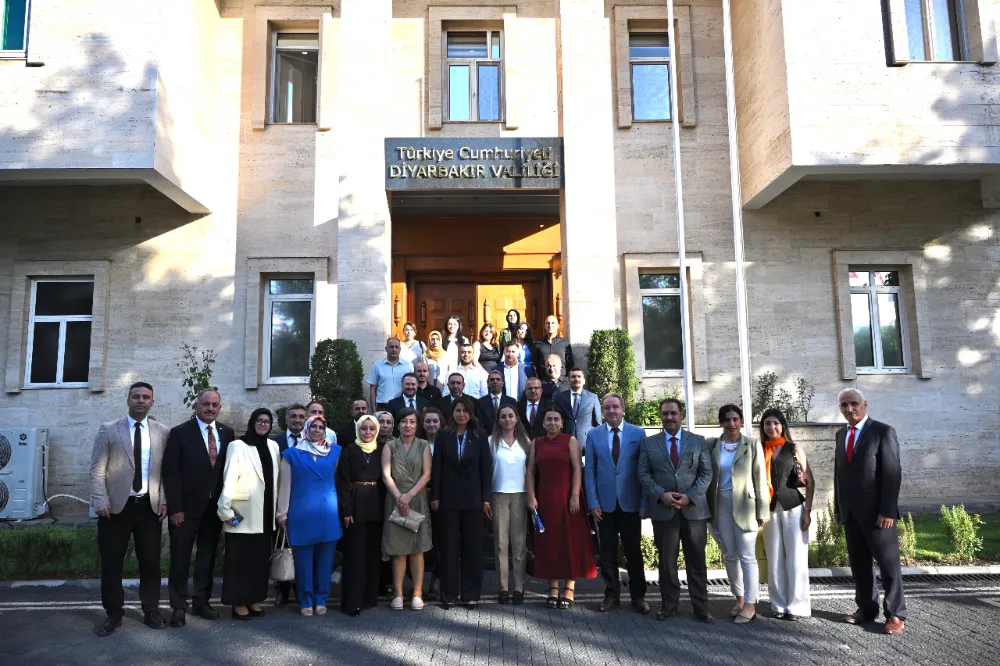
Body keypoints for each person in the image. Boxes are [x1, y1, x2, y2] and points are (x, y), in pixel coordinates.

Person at [90, 382, 170, 636]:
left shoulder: (162, 432)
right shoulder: (109, 429)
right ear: (128, 400)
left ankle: (151, 610)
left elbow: (165, 472)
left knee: (151, 563)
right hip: (115, 509)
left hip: (149, 507)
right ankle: (114, 614)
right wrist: (100, 499)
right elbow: (97, 468)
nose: (140, 400)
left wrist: (165, 499)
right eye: (135, 396)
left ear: (152, 402)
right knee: (112, 564)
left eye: (146, 397)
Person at [834, 388, 907, 635]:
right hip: (851, 513)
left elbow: (892, 474)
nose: (849, 409)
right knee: (860, 565)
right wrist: (839, 508)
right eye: (844, 405)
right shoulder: (840, 434)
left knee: (888, 566)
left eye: (853, 403)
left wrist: (887, 510)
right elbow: (839, 475)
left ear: (865, 404)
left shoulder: (883, 432)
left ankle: (896, 614)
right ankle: (866, 608)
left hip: (878, 515)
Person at [162, 389, 236, 627]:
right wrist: (176, 508)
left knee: (207, 558)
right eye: (206, 404)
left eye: (215, 405)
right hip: (186, 510)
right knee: (180, 559)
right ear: (196, 405)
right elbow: (171, 474)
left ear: (220, 408)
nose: (210, 408)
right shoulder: (180, 433)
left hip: (213, 511)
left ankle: (201, 602)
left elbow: (229, 472)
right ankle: (178, 607)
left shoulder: (227, 433)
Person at [638, 398, 713, 622]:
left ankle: (701, 607)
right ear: (660, 416)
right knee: (667, 562)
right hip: (664, 510)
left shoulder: (698, 441)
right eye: (665, 414)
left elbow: (706, 474)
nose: (669, 417)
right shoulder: (649, 443)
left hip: (694, 511)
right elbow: (643, 474)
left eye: (673, 413)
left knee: (697, 560)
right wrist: (661, 494)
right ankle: (669, 605)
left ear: (682, 415)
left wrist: (690, 496)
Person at [583, 394, 649, 614]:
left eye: (615, 407)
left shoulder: (638, 434)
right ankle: (611, 594)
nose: (611, 411)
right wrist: (593, 502)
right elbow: (589, 471)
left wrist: (644, 501)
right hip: (604, 506)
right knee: (608, 553)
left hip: (630, 504)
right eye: (607, 407)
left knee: (633, 552)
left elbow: (644, 471)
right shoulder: (593, 435)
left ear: (623, 410)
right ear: (602, 411)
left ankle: (638, 596)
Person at [526, 407, 596, 609]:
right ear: (543, 422)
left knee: (570, 543)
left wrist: (575, 495)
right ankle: (553, 587)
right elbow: (530, 472)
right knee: (549, 543)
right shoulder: (536, 443)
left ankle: (570, 587)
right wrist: (531, 496)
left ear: (562, 422)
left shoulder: (570, 441)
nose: (552, 423)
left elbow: (577, 469)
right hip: (545, 499)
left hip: (568, 499)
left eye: (556, 419)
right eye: (549, 419)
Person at [707, 404, 768, 624]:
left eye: (735, 419)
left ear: (741, 421)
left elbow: (760, 480)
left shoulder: (751, 445)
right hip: (720, 505)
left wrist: (763, 511)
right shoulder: (712, 445)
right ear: (720, 422)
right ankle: (740, 599)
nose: (731, 424)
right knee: (730, 556)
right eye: (727, 420)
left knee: (747, 556)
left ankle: (751, 604)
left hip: (746, 506)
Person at [217, 408, 280, 620]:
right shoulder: (237, 446)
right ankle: (238, 603)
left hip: (265, 514)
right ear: (252, 422)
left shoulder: (273, 446)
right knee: (240, 561)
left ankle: (254, 599)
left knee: (259, 561)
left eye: (267, 421)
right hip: (242, 513)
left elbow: (275, 481)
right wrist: (224, 509)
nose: (263, 424)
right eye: (259, 420)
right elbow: (229, 477)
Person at [430, 396, 492, 609]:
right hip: (448, 499)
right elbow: (436, 467)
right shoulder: (443, 435)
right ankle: (448, 593)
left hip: (474, 500)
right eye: (458, 410)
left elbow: (486, 468)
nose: (461, 414)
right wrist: (435, 496)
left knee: (472, 548)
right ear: (452, 412)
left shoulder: (480, 435)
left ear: (471, 413)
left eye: (465, 411)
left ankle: (471, 593)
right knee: (448, 548)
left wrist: (486, 499)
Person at [277, 415, 343, 616]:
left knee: (325, 561)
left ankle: (321, 598)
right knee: (303, 562)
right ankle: (305, 600)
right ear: (307, 428)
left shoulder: (335, 451)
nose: (316, 429)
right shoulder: (291, 454)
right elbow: (285, 486)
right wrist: (281, 514)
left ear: (325, 430)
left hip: (328, 513)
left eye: (321, 427)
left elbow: (340, 481)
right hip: (301, 514)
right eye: (313, 426)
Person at [760, 408, 813, 621]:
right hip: (769, 509)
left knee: (796, 558)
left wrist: (808, 510)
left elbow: (810, 480)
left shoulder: (794, 448)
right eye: (767, 424)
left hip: (794, 507)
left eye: (775, 423)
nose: (772, 427)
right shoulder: (759, 449)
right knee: (774, 558)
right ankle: (779, 605)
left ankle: (797, 606)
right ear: (762, 428)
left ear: (782, 425)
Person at [381, 408, 433, 611]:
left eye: (411, 422)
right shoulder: (390, 446)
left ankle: (417, 593)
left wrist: (409, 496)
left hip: (417, 498)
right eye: (403, 422)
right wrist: (399, 497)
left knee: (417, 550)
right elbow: (386, 475)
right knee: (398, 551)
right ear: (398, 424)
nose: (408, 426)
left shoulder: (424, 446)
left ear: (417, 425)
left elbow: (427, 474)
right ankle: (398, 594)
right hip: (395, 499)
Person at [336, 414, 387, 616]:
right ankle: (352, 601)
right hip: (356, 506)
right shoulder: (349, 450)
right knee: (355, 555)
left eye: (371, 429)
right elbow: (343, 482)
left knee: (372, 555)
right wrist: (346, 509)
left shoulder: (382, 449)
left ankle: (369, 598)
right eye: (364, 428)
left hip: (376, 505)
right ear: (358, 430)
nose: (367, 432)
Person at [489, 404, 532, 605]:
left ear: (516, 419)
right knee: (500, 544)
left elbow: (531, 472)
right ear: (498, 420)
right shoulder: (491, 442)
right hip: (498, 494)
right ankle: (503, 587)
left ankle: (519, 586)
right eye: (503, 416)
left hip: (520, 495)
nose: (507, 419)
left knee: (519, 543)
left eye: (510, 416)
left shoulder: (526, 442)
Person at [269, 403, 308, 606]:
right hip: (280, 501)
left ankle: (300, 589)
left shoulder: (312, 442)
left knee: (301, 549)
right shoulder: (274, 442)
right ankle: (281, 590)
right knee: (281, 547)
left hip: (303, 504)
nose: (297, 420)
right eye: (293, 416)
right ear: (286, 419)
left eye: (301, 417)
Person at [417, 405, 445, 599]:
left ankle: (437, 580)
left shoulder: (447, 442)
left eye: (435, 421)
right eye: (428, 421)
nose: (432, 424)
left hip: (441, 498)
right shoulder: (418, 443)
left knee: (440, 540)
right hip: (419, 497)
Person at [554, 368, 602, 449]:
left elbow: (598, 423)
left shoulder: (592, 397)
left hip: (587, 444)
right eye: (573, 377)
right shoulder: (560, 397)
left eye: (579, 376)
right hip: (565, 443)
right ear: (568, 380)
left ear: (584, 381)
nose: (576, 379)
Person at [368, 337, 414, 411]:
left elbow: (413, 386)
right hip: (383, 407)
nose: (394, 349)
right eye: (391, 347)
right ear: (386, 349)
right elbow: (372, 389)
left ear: (400, 349)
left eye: (396, 347)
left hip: (402, 406)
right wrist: (374, 411)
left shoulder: (408, 365)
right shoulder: (377, 366)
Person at [533, 315, 575, 379]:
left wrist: (567, 380)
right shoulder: (538, 344)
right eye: (548, 323)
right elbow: (535, 365)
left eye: (553, 323)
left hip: (562, 383)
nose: (550, 325)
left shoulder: (565, 344)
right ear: (545, 326)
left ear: (558, 326)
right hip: (544, 383)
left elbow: (570, 364)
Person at [476, 370, 517, 434]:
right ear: (488, 383)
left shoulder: (511, 401)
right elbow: (480, 424)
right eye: (492, 380)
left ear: (502, 383)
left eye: (498, 379)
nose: (495, 382)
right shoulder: (480, 402)